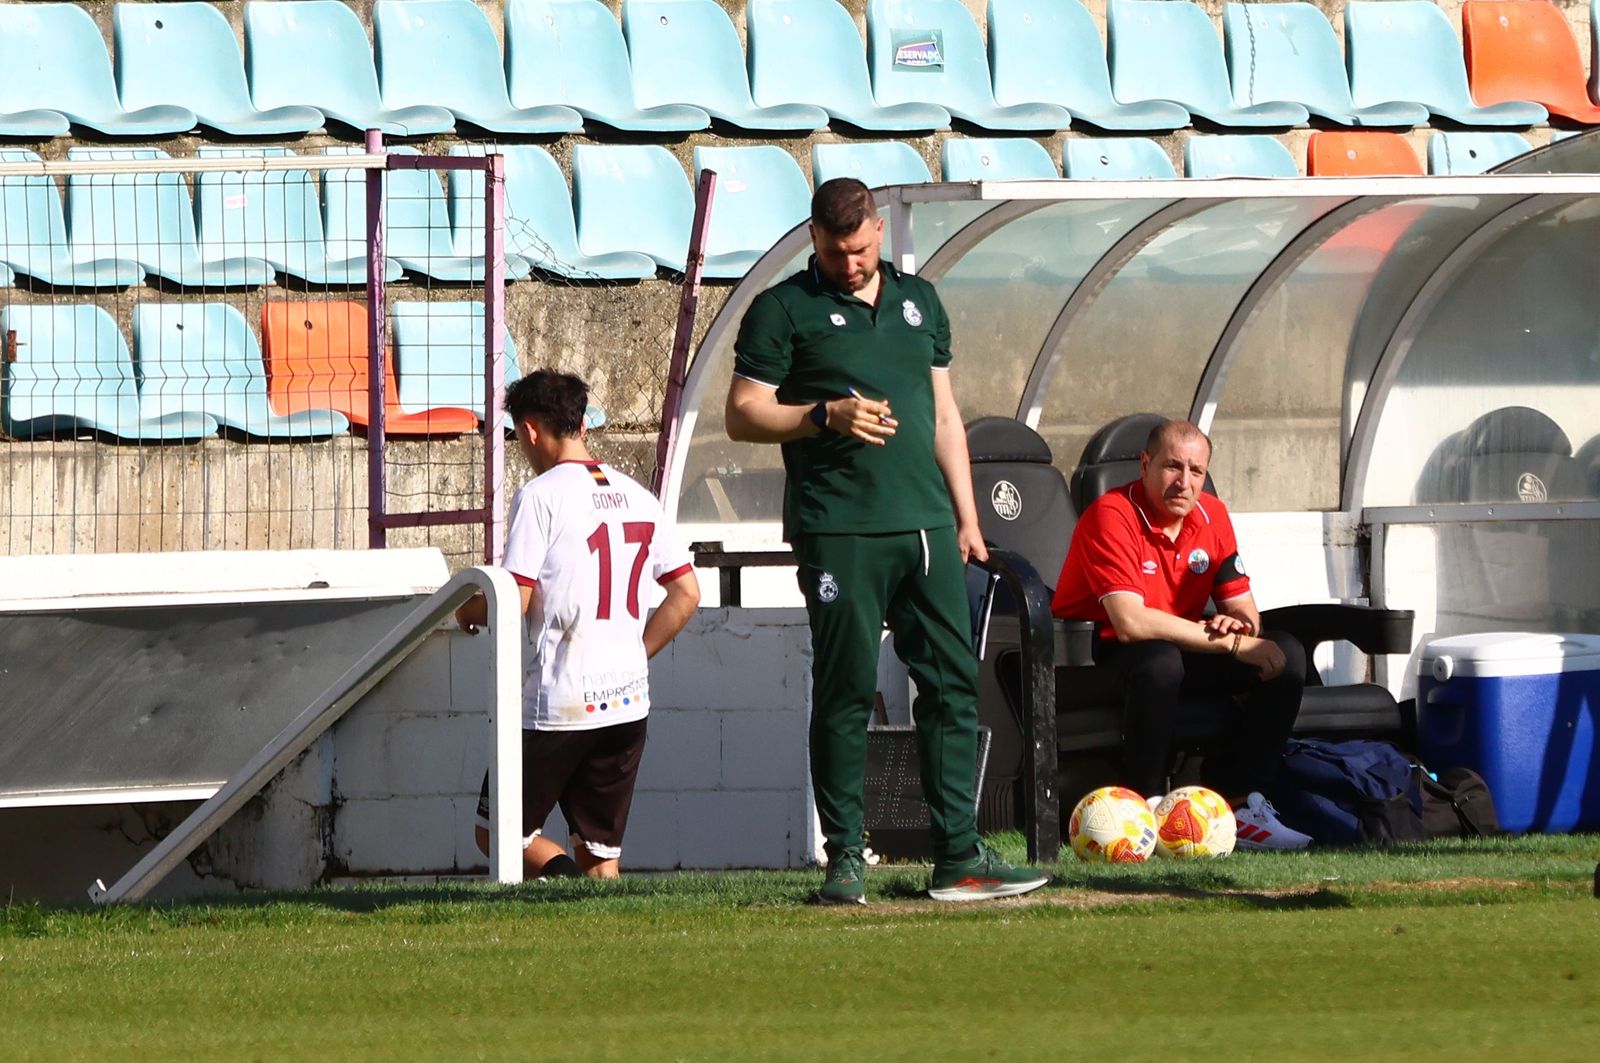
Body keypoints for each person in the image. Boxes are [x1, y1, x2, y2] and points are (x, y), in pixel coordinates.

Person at [725, 177, 1049, 903]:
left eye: (861, 247)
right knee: (844, 690)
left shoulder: (919, 301)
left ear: (879, 229)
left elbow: (942, 415)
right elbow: (743, 412)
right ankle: (845, 859)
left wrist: (967, 517)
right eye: (837, 251)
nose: (850, 263)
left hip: (928, 527)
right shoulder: (782, 309)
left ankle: (958, 856)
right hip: (839, 528)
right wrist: (823, 416)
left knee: (950, 685)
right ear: (814, 238)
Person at [459, 369, 700, 879]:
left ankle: (563, 888)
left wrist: (464, 608)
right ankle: (609, 939)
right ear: (583, 424)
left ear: (528, 430)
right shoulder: (638, 495)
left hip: (560, 704)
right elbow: (686, 594)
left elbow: (515, 596)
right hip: (629, 701)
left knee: (496, 833)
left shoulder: (541, 495)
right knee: (600, 856)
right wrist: (637, 651)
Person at [1051, 419, 1311, 850]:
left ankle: (1242, 803)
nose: (1184, 482)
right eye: (1173, 467)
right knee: (1160, 661)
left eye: (1196, 471)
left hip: (1186, 647)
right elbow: (1130, 622)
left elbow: (1243, 604)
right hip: (1108, 654)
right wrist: (1230, 642)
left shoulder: (1213, 514)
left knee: (1283, 655)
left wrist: (1241, 626)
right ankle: (1145, 809)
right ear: (1145, 465)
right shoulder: (1112, 514)